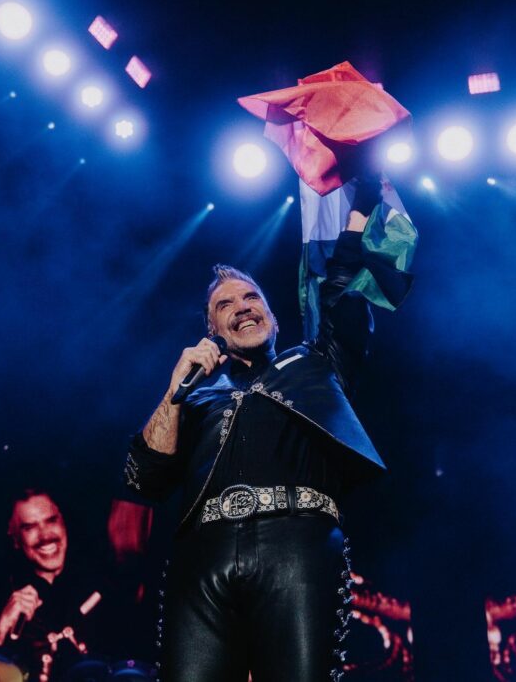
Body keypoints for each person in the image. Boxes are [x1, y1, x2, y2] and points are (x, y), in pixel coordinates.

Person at [124, 180, 410, 682]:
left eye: (251, 296)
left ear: (274, 317)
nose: (242, 306)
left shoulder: (317, 364)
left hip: (295, 546)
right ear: (213, 330)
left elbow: (341, 282)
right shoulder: (195, 393)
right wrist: (174, 389)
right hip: (203, 558)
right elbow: (145, 480)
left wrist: (359, 194)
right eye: (225, 305)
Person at [0, 489, 109, 680]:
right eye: (30, 527)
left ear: (63, 522)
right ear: (15, 538)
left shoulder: (102, 585)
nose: (45, 535)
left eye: (51, 521)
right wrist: (0, 630)